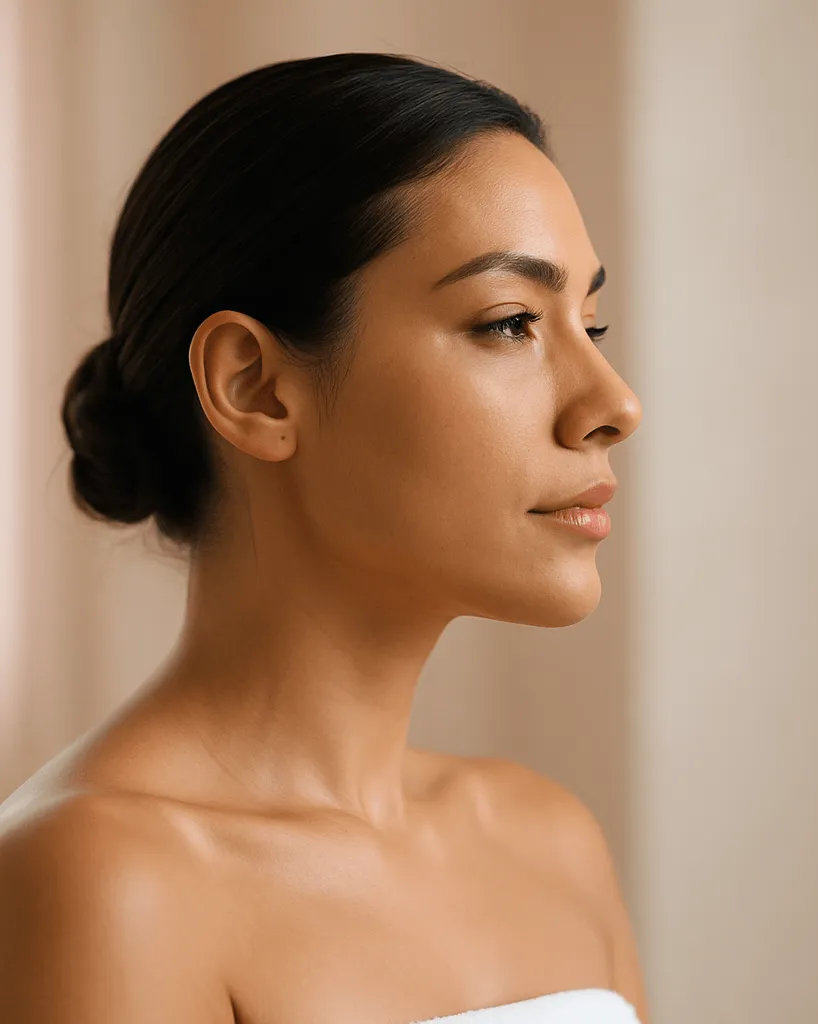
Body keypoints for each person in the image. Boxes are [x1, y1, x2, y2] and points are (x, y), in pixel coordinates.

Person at [0, 53, 646, 1023]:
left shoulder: (548, 840)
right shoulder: (99, 882)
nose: (613, 403)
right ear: (254, 384)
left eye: (590, 324)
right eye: (511, 323)